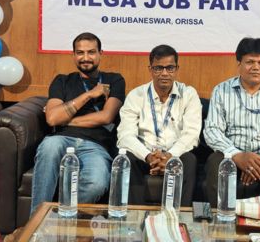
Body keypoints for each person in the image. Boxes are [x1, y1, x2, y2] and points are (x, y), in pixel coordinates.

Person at [31, 32, 126, 214]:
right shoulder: (62, 81)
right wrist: (89, 94)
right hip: (61, 139)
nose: (85, 58)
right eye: (80, 52)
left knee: (97, 183)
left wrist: (65, 119)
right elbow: (52, 119)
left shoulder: (114, 80)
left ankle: (58, 219)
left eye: (91, 52)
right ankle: (35, 220)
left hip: (96, 145)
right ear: (73, 55)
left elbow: (106, 117)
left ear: (100, 53)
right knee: (49, 147)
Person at [203, 37, 260, 206]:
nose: (256, 67)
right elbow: (212, 130)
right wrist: (237, 155)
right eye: (250, 62)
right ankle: (220, 217)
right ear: (239, 63)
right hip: (231, 156)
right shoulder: (221, 90)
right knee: (214, 161)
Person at [117, 44, 202, 206]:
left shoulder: (188, 94)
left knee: (189, 160)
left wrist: (170, 157)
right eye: (158, 68)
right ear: (150, 69)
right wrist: (148, 156)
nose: (164, 73)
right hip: (144, 156)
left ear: (177, 69)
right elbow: (125, 135)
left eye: (170, 68)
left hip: (176, 155)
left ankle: (180, 217)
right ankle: (135, 216)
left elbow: (191, 134)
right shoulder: (136, 95)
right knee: (127, 157)